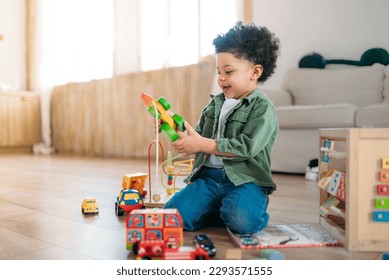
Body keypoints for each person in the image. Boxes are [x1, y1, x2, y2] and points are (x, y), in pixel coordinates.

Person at [163, 21, 280, 234]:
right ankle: (216, 206)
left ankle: (234, 207)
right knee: (171, 217)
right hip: (208, 178)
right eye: (219, 72)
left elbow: (246, 148)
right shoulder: (214, 104)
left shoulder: (263, 108)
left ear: (254, 72)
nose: (221, 78)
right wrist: (176, 128)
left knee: (242, 221)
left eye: (228, 71)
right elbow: (198, 138)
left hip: (245, 180)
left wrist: (202, 143)